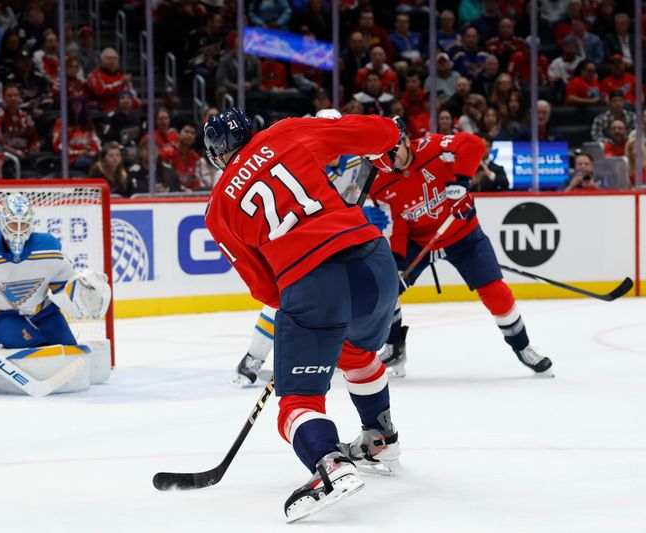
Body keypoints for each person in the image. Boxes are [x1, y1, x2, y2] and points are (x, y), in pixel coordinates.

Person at [204, 107, 404, 522]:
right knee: (355, 354)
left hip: (311, 282)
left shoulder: (218, 210)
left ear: (216, 156)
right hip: (374, 262)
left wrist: (303, 319)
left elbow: (263, 287)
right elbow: (381, 132)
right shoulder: (285, 133)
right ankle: (379, 438)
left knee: (298, 401)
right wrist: (385, 146)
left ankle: (330, 465)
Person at [367, 130, 553, 378]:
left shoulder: (432, 147)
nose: (391, 159)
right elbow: (397, 225)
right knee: (387, 285)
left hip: (463, 234)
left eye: (393, 150)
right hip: (419, 243)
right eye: (383, 156)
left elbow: (474, 144)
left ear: (405, 141)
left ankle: (523, 347)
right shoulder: (380, 182)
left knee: (495, 292)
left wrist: (462, 181)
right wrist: (399, 263)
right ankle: (395, 346)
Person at [0, 193, 110, 349]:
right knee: (38, 351)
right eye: (12, 223)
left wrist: (82, 294)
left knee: (69, 350)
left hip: (42, 313)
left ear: (31, 222)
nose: (18, 230)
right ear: (2, 222)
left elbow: (63, 286)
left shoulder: (49, 248)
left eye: (23, 224)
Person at [0, 84, 40, 159]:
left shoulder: (25, 117)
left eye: (16, 95)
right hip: (7, 154)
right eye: (9, 96)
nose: (13, 98)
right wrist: (14, 151)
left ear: (19, 98)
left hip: (25, 153)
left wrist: (33, 148)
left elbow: (34, 138)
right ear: (3, 98)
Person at [52, 97, 101, 171]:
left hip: (88, 155)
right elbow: (58, 144)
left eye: (79, 103)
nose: (77, 105)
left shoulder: (88, 122)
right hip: (71, 157)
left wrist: (92, 151)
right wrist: (78, 152)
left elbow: (95, 140)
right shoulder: (61, 122)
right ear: (70, 105)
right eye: (74, 103)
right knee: (92, 164)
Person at [87, 48, 136, 113]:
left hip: (124, 110)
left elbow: (131, 95)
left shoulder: (122, 77)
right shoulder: (94, 75)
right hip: (103, 110)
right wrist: (121, 83)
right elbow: (100, 92)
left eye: (115, 59)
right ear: (102, 61)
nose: (112, 61)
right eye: (109, 58)